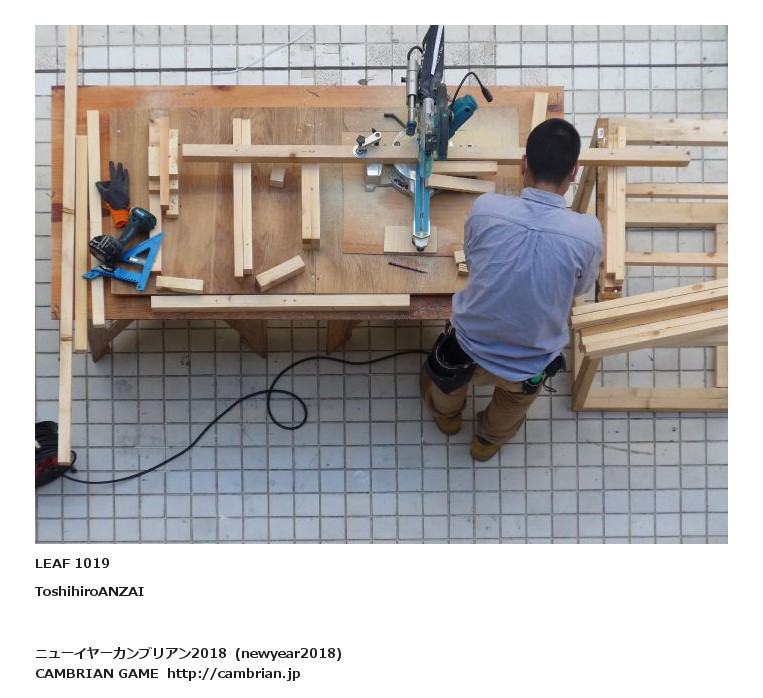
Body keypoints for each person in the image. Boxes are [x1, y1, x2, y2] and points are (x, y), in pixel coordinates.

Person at [420, 118, 603, 461]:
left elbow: (474, 259)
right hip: (531, 360)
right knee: (511, 407)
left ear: (523, 164)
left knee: (446, 386)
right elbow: (579, 287)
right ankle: (485, 444)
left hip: (469, 345)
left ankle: (447, 419)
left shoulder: (487, 209)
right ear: (574, 172)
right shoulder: (588, 233)